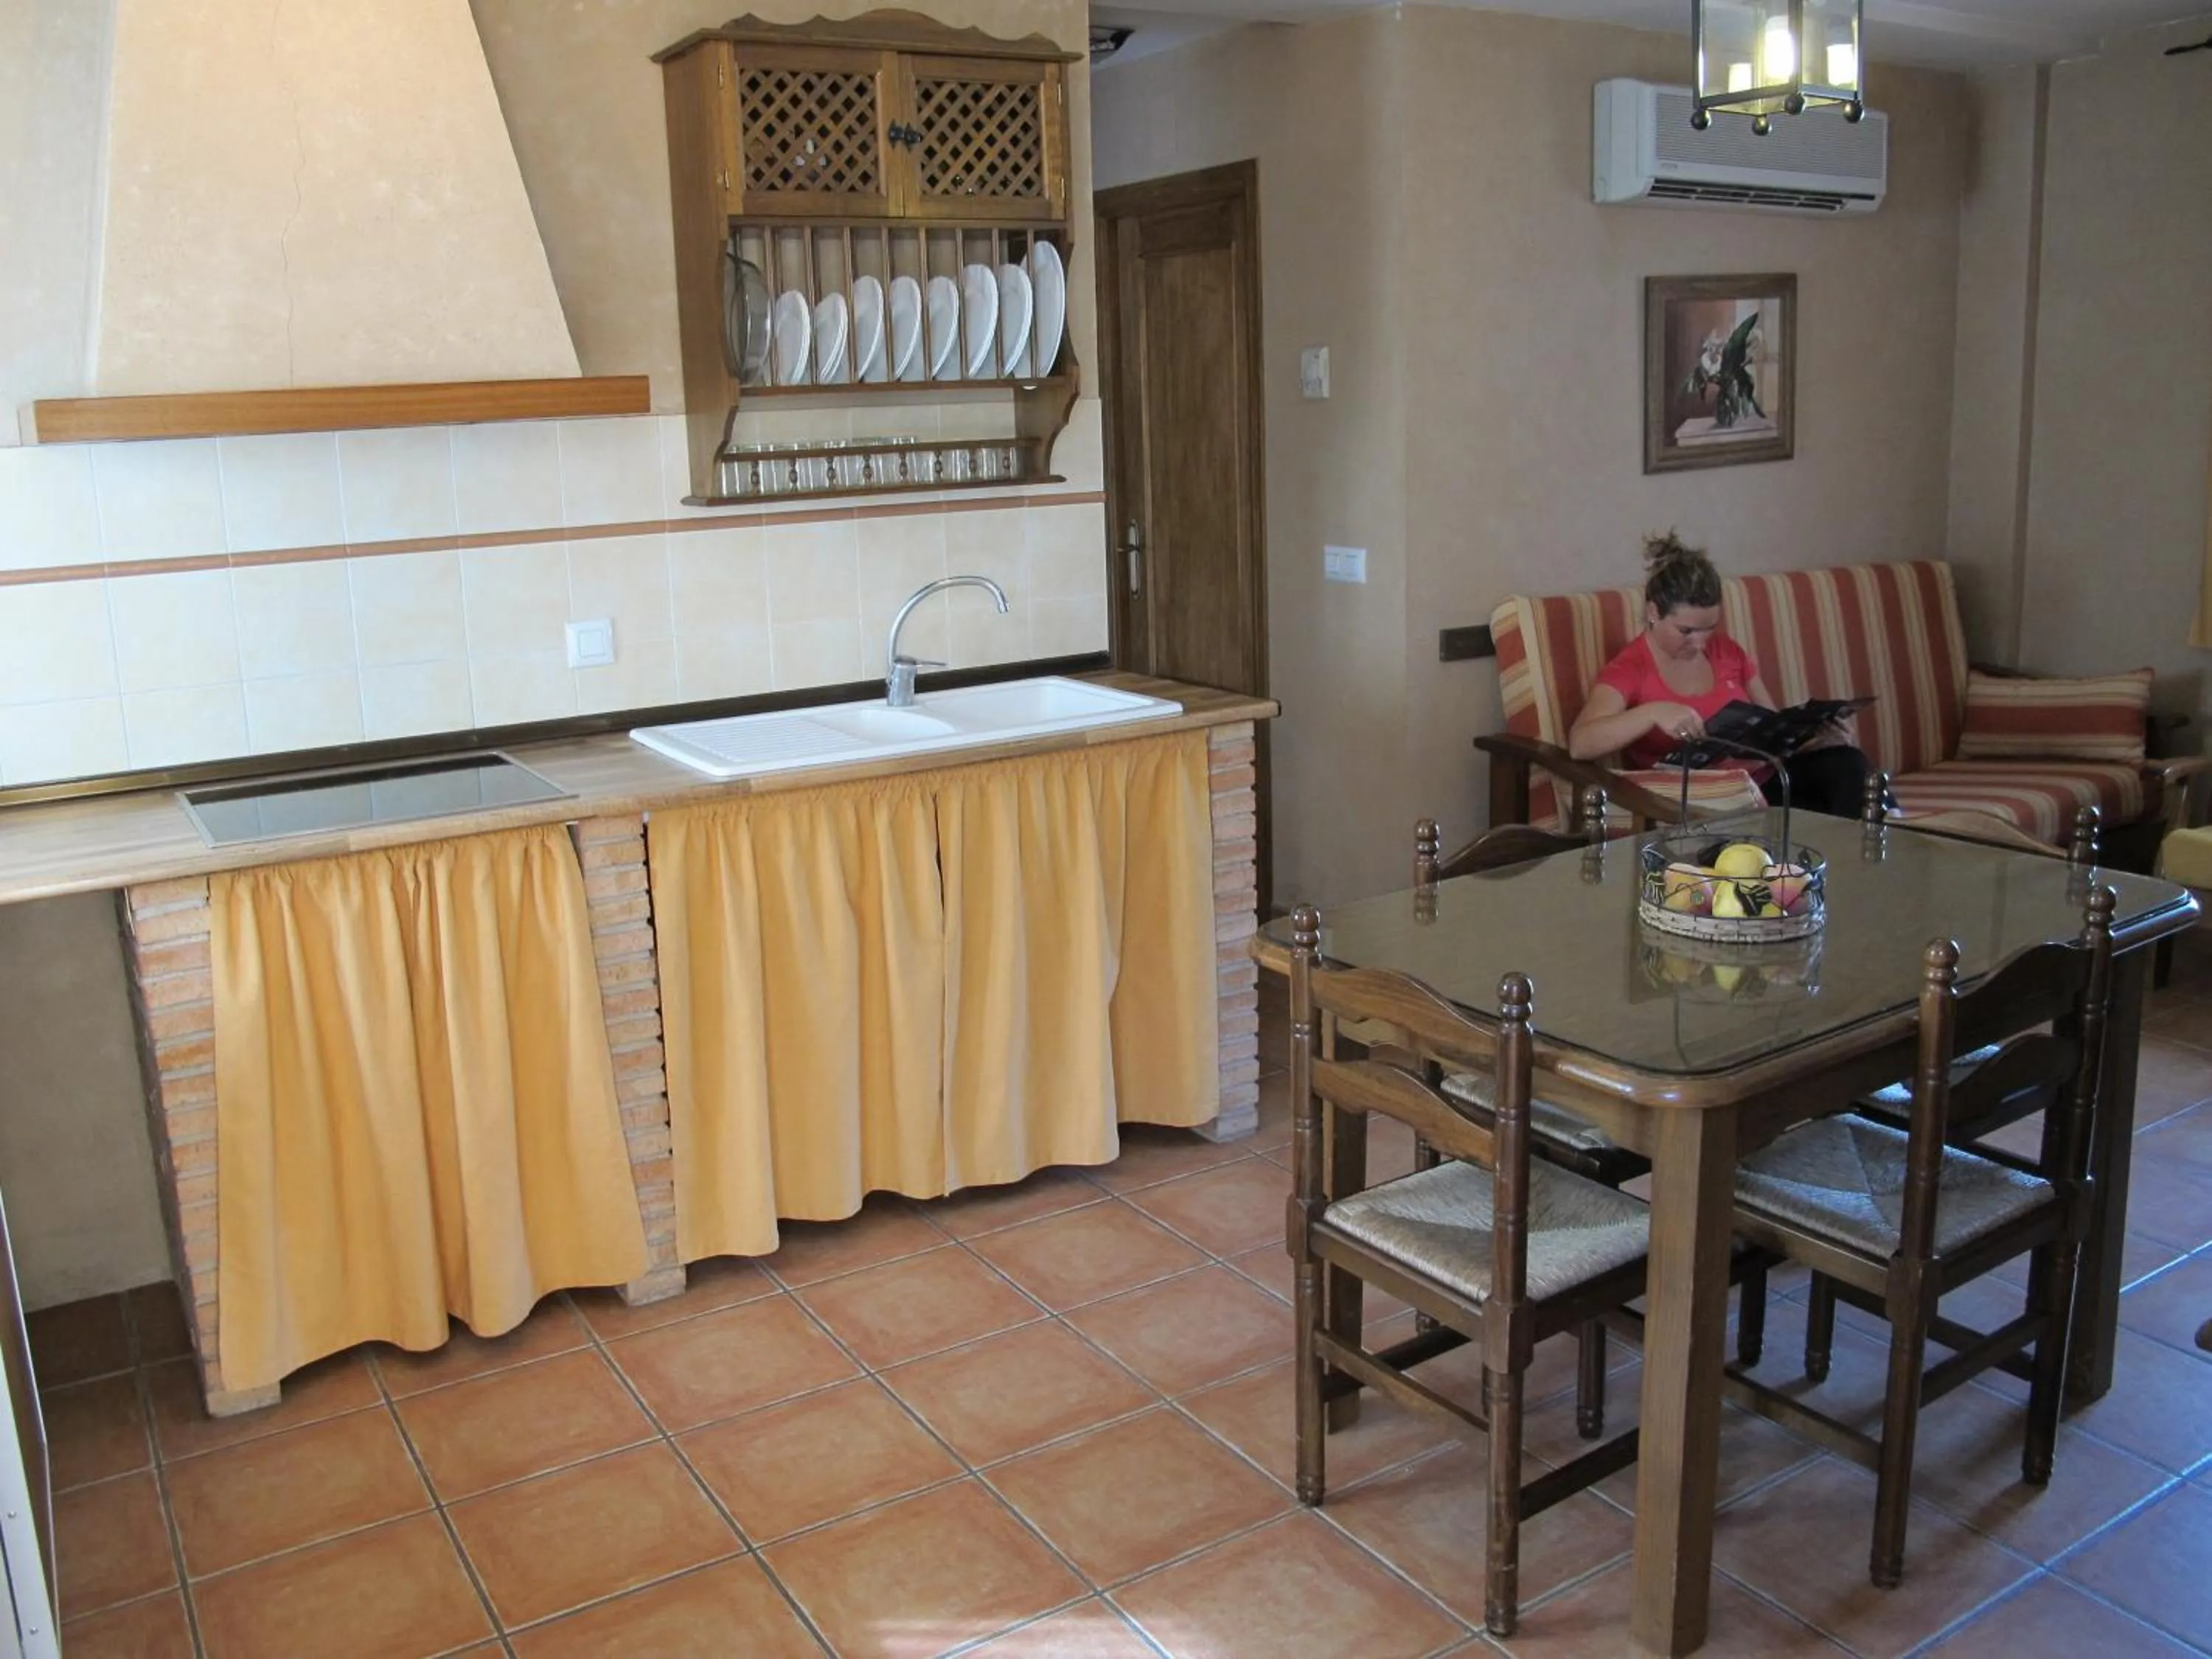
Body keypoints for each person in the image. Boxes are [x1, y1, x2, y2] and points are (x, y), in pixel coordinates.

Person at [1568, 533, 1872, 818]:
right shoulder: (1630, 668)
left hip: (1763, 785)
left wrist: (1810, 739)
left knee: (1848, 765)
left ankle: (1874, 863)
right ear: (1652, 612)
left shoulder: (1726, 650)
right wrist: (1651, 712)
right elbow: (1581, 743)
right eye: (1686, 631)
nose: (1700, 643)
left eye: (1709, 628)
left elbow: (1770, 727)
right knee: (1817, 818)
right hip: (1705, 804)